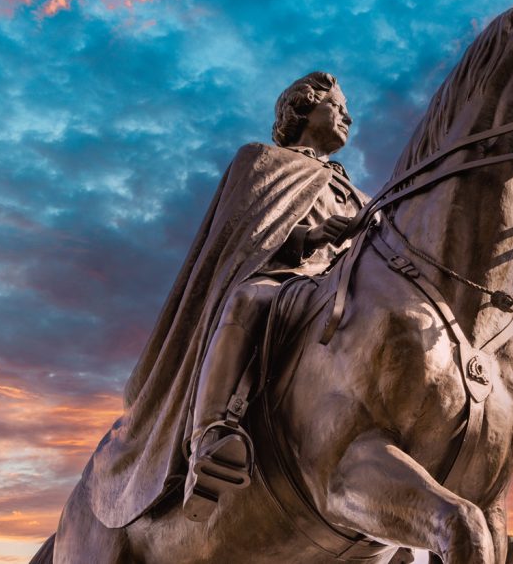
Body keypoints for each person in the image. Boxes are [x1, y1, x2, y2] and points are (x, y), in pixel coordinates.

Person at [81, 71, 365, 529]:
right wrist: (309, 237)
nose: (349, 115)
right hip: (284, 281)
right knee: (247, 300)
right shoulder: (262, 162)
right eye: (338, 105)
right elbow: (244, 237)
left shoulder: (356, 191)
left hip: (340, 294)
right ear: (303, 109)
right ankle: (211, 435)